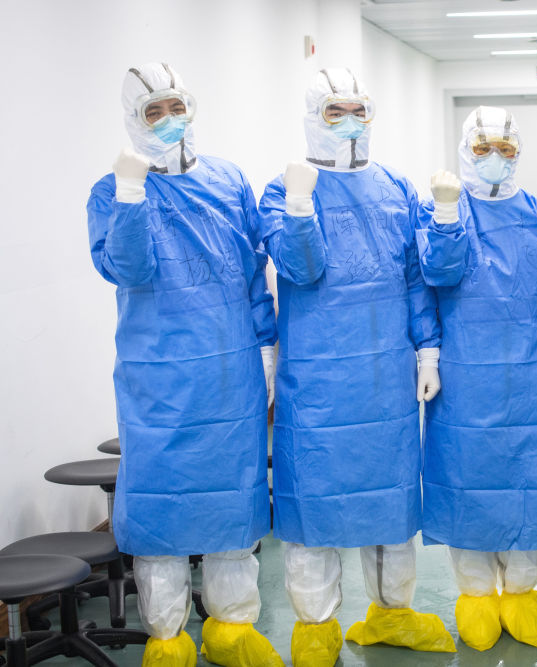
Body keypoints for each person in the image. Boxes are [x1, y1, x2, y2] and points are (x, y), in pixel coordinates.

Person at [258, 67, 455, 665]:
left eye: (358, 111)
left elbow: (415, 279)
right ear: (312, 117)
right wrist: (300, 204)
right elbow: (301, 270)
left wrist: (428, 348)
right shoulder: (282, 190)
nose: (348, 123)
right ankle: (316, 629)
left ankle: (393, 614)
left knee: (390, 505)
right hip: (317, 381)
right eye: (334, 111)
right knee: (314, 506)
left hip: (385, 379)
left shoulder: (395, 187)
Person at [87, 63, 281, 667]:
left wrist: (266, 346)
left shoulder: (228, 180)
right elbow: (129, 270)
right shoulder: (111, 192)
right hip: (159, 378)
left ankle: (232, 628)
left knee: (233, 504)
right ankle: (167, 637)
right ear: (134, 120)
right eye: (154, 111)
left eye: (177, 106)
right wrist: (130, 194)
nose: (170, 119)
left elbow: (252, 269)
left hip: (231, 373)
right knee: (161, 508)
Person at [416, 106, 537, 651]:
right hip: (464, 378)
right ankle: (474, 595)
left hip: (531, 373)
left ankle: (520, 593)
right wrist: (429, 356)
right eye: (483, 147)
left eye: (506, 149)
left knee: (530, 486)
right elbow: (433, 278)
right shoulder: (441, 210)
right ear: (465, 148)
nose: (494, 157)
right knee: (467, 484)